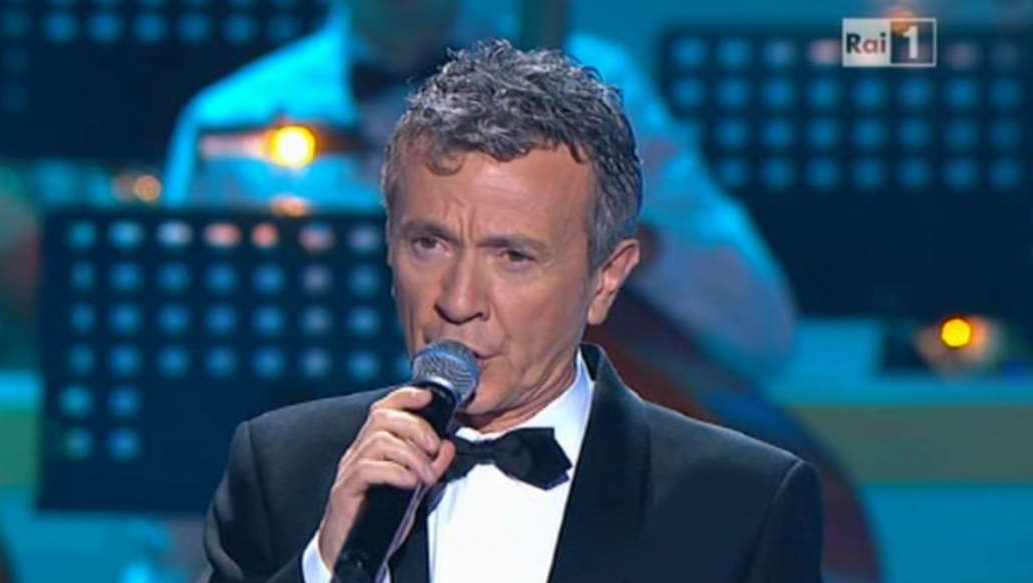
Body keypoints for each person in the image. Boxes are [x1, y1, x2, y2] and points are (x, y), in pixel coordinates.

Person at [156, 40, 830, 583]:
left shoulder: (738, 504)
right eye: (429, 244)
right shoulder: (285, 468)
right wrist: (324, 574)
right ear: (389, 247)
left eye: (513, 257)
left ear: (605, 280)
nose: (458, 300)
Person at [162, 0, 797, 382]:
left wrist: (593, 226)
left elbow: (761, 330)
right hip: (307, 486)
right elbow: (176, 362)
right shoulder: (228, 120)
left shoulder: (594, 83)